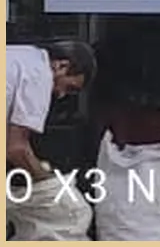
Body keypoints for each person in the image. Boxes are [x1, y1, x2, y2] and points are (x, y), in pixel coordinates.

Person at [6, 40, 96, 180]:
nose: (61, 95)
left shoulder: (22, 55)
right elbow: (16, 148)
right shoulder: (41, 75)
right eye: (69, 88)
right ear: (62, 66)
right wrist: (48, 181)